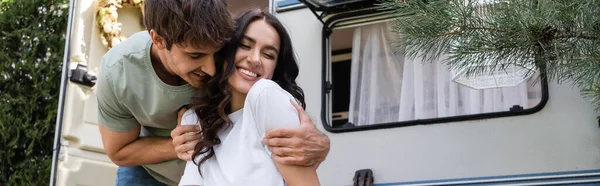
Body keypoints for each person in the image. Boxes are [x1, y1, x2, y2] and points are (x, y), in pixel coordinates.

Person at [96, 0, 330, 185]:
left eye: (269, 54)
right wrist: (177, 146)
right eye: (195, 56)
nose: (211, 68)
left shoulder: (261, 92)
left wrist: (321, 142)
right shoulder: (120, 70)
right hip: (152, 173)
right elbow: (119, 152)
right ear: (158, 40)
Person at [178, 9, 320, 186]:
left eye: (268, 55)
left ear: (276, 68)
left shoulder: (266, 95)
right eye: (245, 45)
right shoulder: (194, 119)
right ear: (225, 50)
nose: (254, 59)